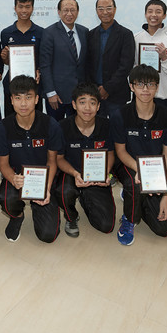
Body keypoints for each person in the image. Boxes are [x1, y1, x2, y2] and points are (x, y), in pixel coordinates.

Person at [110, 65, 167, 246]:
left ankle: (141, 200)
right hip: (129, 164)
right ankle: (129, 219)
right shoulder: (120, 115)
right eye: (140, 84)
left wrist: (166, 195)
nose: (145, 90)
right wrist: (139, 169)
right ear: (131, 87)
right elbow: (121, 151)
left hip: (156, 169)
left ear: (157, 86)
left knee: (164, 230)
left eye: (150, 84)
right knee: (133, 182)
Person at [0, 75, 63, 243]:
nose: (23, 104)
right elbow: (3, 163)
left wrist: (45, 187)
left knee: (48, 235)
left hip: (43, 179)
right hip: (19, 178)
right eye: (18, 98)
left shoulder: (50, 124)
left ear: (37, 99)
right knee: (6, 198)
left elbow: (52, 161)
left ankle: (42, 202)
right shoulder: (3, 127)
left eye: (28, 97)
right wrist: (13, 179)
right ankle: (17, 216)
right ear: (11, 100)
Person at [52, 83, 116, 238]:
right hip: (71, 173)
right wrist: (75, 173)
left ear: (98, 106)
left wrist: (106, 173)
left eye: (92, 102)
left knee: (106, 226)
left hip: (96, 175)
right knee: (63, 191)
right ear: (74, 105)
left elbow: (111, 153)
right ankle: (71, 217)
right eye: (82, 102)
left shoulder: (106, 125)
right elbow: (58, 159)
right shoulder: (62, 127)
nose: (87, 107)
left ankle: (85, 197)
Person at [85, 0, 135, 118]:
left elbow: (126, 65)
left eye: (109, 8)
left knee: (117, 130)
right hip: (94, 93)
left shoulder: (125, 34)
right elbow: (88, 64)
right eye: (101, 9)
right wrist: (96, 89)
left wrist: (107, 88)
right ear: (96, 11)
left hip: (117, 93)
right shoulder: (91, 34)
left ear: (115, 9)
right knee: (98, 131)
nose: (105, 12)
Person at [39, 0, 89, 120]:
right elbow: (45, 65)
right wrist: (50, 92)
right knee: (56, 131)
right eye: (65, 10)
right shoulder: (49, 33)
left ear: (77, 12)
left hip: (79, 95)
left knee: (76, 132)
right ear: (59, 12)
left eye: (73, 10)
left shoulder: (84, 32)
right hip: (57, 96)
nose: (69, 14)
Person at [133, 0, 167, 109]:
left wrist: (165, 58)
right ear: (145, 14)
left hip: (163, 96)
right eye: (150, 11)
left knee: (162, 126)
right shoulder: (135, 38)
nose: (154, 15)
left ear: (164, 15)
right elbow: (129, 67)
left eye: (158, 12)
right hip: (140, 94)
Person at [0, 0, 44, 117]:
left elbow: (43, 59)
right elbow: (7, 62)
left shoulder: (41, 32)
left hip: (34, 84)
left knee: (36, 120)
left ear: (32, 8)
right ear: (15, 8)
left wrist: (39, 70)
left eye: (27, 6)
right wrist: (4, 58)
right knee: (11, 121)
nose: (24, 10)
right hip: (12, 84)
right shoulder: (6, 33)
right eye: (20, 6)